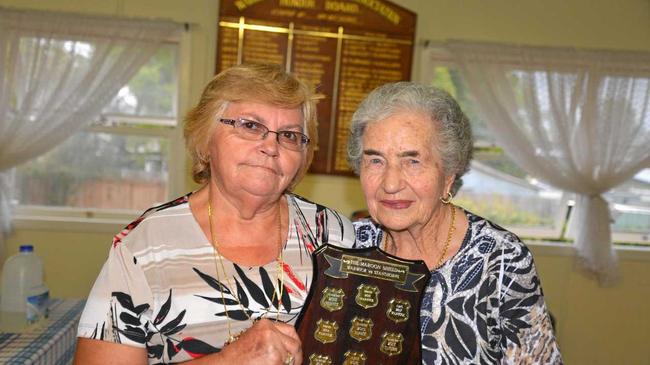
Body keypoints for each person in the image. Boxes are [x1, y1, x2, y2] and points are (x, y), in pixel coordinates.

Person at [74, 63, 356, 365]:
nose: (271, 146)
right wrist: (228, 360)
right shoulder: (143, 247)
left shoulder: (335, 235)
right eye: (250, 126)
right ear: (206, 140)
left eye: (289, 135)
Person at [348, 82, 562, 364]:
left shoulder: (500, 260)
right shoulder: (345, 244)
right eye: (375, 161)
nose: (390, 183)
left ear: (449, 174)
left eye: (412, 161)